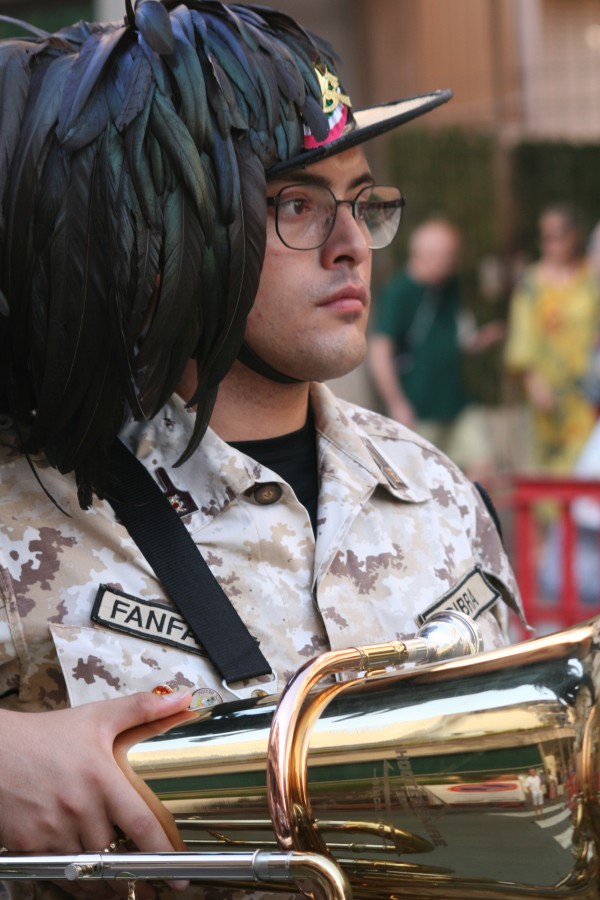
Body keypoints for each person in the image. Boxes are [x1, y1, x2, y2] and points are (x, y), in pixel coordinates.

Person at [0, 3, 523, 898]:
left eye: (363, 202)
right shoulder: (25, 501)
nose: (352, 246)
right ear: (165, 236)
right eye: (297, 205)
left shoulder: (435, 490)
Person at [368, 217, 505, 481]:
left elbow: (453, 338)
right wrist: (397, 403)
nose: (453, 261)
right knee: (423, 479)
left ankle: (468, 507)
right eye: (448, 255)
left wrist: (479, 341)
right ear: (425, 255)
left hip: (456, 403)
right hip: (419, 408)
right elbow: (380, 353)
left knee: (483, 465)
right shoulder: (399, 293)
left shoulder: (448, 287)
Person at [504, 203, 600, 475]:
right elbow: (522, 337)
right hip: (547, 391)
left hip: (587, 393)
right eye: (545, 236)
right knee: (549, 470)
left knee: (585, 467)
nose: (551, 243)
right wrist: (532, 380)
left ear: (574, 236)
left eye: (558, 235)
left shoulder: (591, 278)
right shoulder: (531, 284)